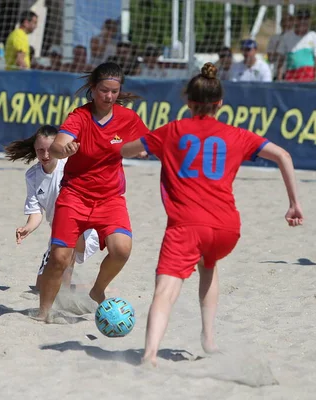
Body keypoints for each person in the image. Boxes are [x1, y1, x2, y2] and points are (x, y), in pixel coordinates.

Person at [120, 62, 304, 366]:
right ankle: (209, 339)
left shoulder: (173, 130)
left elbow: (124, 151)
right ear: (220, 103)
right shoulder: (237, 135)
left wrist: (132, 148)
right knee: (209, 263)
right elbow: (283, 155)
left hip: (187, 226)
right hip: (226, 229)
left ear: (188, 102)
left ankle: (150, 354)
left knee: (165, 290)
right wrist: (294, 203)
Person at [36, 62, 150, 321]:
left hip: (110, 198)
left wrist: (145, 149)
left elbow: (146, 144)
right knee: (59, 259)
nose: (108, 96)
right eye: (103, 90)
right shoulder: (80, 116)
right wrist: (62, 150)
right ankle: (43, 313)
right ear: (92, 88)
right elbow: (57, 146)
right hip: (75, 195)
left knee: (122, 249)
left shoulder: (128, 118)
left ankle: (97, 290)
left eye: (114, 91)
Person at [4, 125, 100, 290]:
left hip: (83, 227)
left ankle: (70, 288)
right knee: (42, 287)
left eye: (50, 149)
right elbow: (36, 213)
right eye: (40, 150)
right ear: (34, 150)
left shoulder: (71, 165)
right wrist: (28, 227)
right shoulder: (32, 176)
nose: (46, 155)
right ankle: (91, 288)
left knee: (62, 280)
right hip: (58, 232)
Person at [276, 9, 316, 82]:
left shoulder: (314, 36)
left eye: (306, 19)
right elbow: (280, 61)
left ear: (309, 20)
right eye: (300, 18)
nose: (303, 21)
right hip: (291, 77)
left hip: (308, 78)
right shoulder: (286, 36)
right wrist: (279, 79)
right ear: (296, 20)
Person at [267, 13, 294, 80]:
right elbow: (270, 59)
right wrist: (278, 47)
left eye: (289, 21)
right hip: (278, 74)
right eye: (284, 21)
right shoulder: (274, 38)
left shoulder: (297, 39)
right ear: (281, 23)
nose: (287, 23)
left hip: (293, 74)